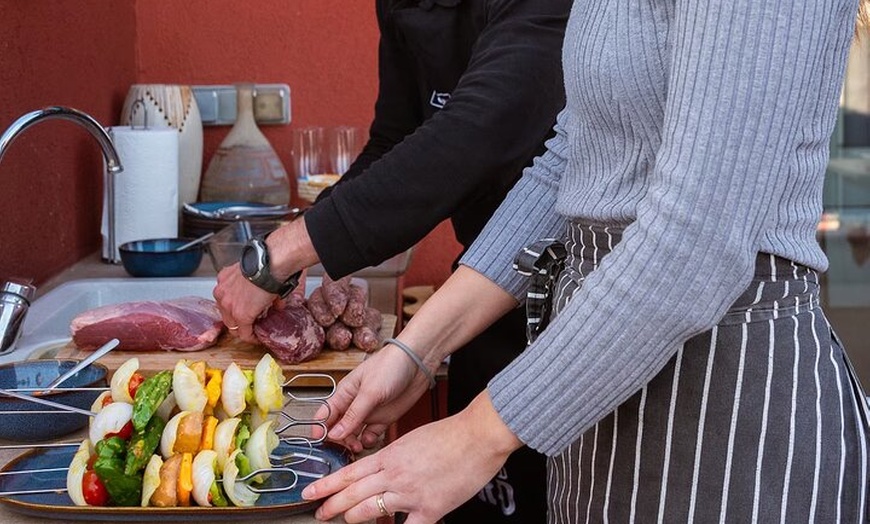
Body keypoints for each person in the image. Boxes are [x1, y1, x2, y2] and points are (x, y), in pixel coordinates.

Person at [299, 0, 870, 522]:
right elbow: (571, 165)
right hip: (595, 385)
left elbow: (698, 242)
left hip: (725, 402)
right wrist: (417, 349)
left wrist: (474, 437)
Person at [212, 0, 571, 521]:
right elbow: (397, 141)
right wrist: (416, 353)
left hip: (579, 315)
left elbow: (475, 132)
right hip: (478, 300)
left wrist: (283, 252)